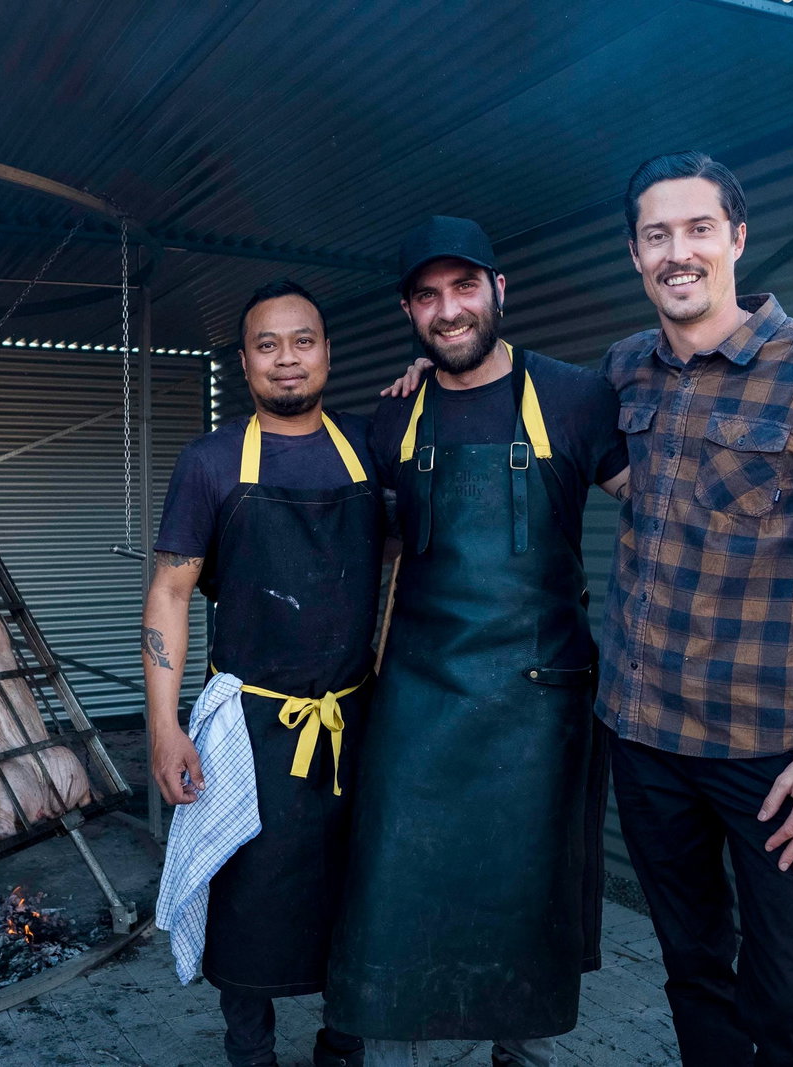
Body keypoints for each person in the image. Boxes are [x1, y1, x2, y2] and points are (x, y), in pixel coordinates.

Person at [599, 151, 793, 1066]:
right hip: (644, 737)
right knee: (693, 972)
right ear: (636, 254)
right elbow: (525, 410)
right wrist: (429, 373)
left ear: (737, 237)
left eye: (698, 228)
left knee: (785, 1001)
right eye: (658, 234)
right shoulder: (624, 369)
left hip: (771, 756)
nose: (678, 251)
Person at [325, 217, 629, 1067]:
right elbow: (362, 541)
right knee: (390, 879)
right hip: (418, 696)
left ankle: (516, 1049)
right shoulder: (393, 421)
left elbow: (658, 505)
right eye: (429, 295)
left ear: (501, 290)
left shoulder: (575, 397)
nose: (449, 309)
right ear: (408, 311)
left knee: (522, 892)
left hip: (539, 704)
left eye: (465, 287)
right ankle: (369, 1034)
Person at [146, 279, 380, 1067]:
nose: (288, 360)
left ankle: (341, 1046)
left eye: (302, 341)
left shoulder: (371, 447)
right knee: (244, 899)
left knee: (358, 897)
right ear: (244, 363)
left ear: (326, 350)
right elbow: (170, 592)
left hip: (356, 724)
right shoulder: (210, 462)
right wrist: (164, 726)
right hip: (247, 729)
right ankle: (250, 1051)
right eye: (268, 345)